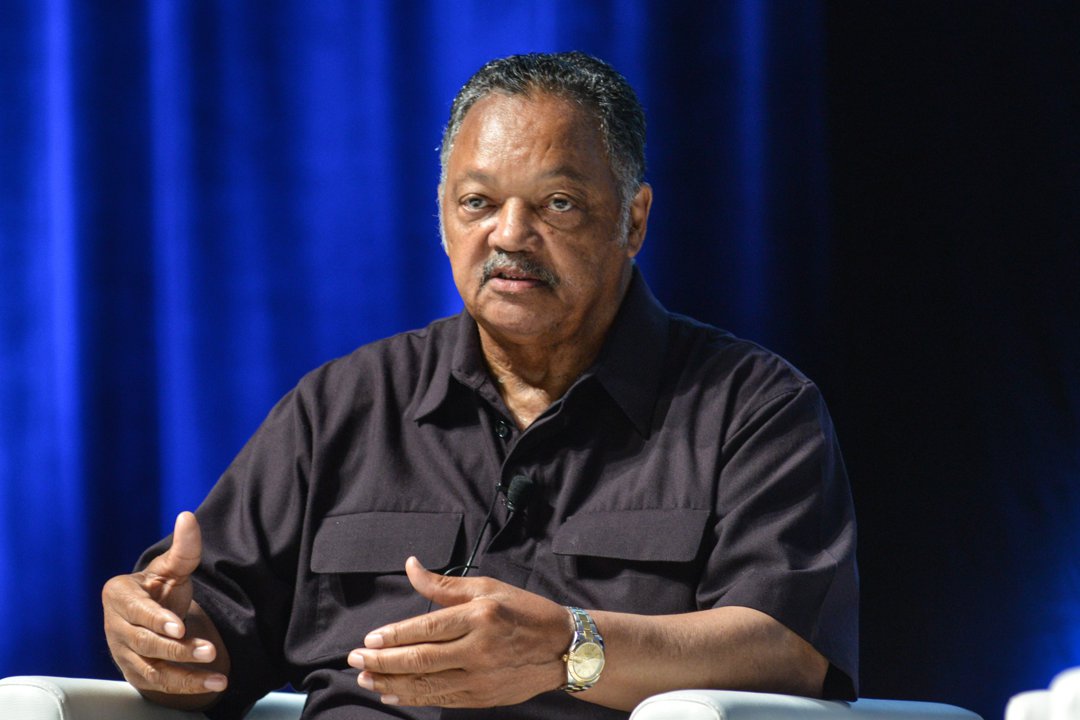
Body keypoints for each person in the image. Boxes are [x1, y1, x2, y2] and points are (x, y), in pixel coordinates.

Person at [102, 51, 858, 720]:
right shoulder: (342, 406)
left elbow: (789, 648)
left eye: (557, 204)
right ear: (443, 217)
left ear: (633, 221)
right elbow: (210, 654)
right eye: (479, 203)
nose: (510, 234)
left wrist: (569, 646)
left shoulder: (751, 408)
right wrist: (161, 633)